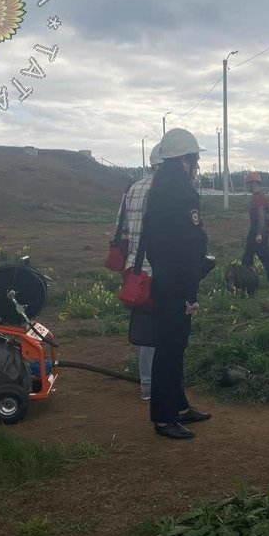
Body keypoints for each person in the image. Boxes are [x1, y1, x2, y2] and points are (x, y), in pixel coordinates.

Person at [137, 128, 211, 440]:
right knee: (170, 350)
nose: (196, 166)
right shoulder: (181, 192)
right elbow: (187, 245)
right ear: (185, 160)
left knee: (174, 348)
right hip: (177, 284)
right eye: (194, 160)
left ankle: (178, 408)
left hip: (166, 278)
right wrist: (188, 292)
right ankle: (164, 418)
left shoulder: (160, 189)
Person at [116, 147, 162, 401]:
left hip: (133, 270)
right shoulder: (164, 190)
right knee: (163, 325)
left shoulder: (132, 188)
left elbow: (120, 230)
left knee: (144, 327)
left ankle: (146, 384)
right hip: (156, 270)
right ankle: (157, 383)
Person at [241, 172, 269, 283]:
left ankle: (247, 279)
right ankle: (249, 278)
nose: (247, 187)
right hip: (259, 230)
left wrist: (259, 234)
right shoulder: (258, 196)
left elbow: (261, 216)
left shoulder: (258, 198)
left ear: (253, 183)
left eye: (248, 184)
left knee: (258, 258)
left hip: (258, 231)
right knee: (251, 257)